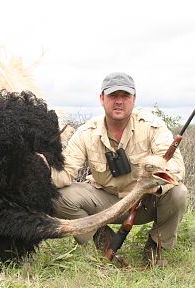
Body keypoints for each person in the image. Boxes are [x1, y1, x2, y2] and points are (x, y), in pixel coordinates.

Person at [43, 72, 188, 264]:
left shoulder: (153, 127)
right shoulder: (86, 132)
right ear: (102, 99)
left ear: (134, 99)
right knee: (57, 196)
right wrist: (39, 168)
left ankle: (156, 245)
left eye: (125, 96)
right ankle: (100, 235)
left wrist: (155, 184)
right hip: (104, 201)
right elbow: (65, 171)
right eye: (113, 96)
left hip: (144, 201)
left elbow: (176, 167)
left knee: (179, 193)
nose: (119, 101)